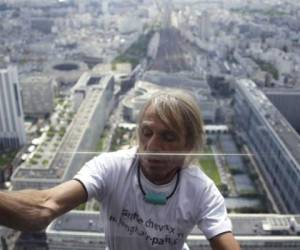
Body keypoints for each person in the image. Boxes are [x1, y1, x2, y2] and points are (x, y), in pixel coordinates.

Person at [0, 90, 240, 250]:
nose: (153, 147)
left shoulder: (201, 189)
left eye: (168, 137)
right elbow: (45, 207)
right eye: (147, 133)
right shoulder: (110, 167)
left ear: (188, 144)